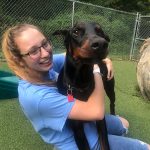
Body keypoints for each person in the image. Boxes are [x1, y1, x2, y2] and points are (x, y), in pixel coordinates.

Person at [2, 23, 150, 150]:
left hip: (85, 122)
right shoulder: (35, 97)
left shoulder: (45, 67)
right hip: (82, 144)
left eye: (45, 43)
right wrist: (96, 66)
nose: (46, 53)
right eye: (34, 51)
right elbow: (97, 112)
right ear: (19, 59)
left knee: (124, 124)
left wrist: (103, 56)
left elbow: (71, 54)